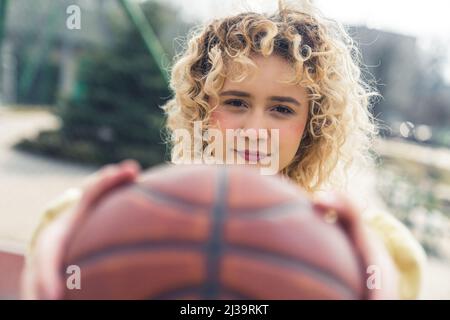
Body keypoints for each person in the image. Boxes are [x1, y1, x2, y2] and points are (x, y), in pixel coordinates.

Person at [22, 0, 426, 299]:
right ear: (200, 107)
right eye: (235, 102)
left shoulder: (377, 251)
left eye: (282, 109)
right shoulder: (88, 220)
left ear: (313, 126)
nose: (254, 130)